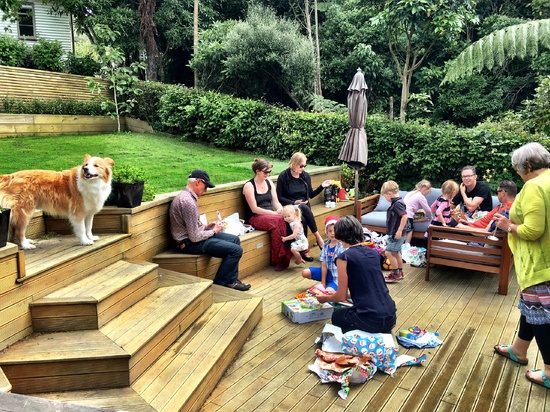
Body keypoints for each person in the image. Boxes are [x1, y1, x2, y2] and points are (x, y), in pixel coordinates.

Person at [493, 142, 550, 390]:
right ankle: (519, 349)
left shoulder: (535, 186)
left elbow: (533, 230)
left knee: (542, 319)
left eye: (517, 169)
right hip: (545, 261)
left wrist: (508, 226)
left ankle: (549, 371)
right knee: (532, 310)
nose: (517, 173)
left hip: (538, 263)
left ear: (527, 165)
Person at [169, 169, 251, 291]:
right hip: (188, 243)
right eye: (205, 186)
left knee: (234, 240)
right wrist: (214, 231)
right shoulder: (187, 202)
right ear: (198, 182)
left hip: (193, 238)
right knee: (236, 250)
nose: (206, 190)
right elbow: (194, 237)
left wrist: (208, 226)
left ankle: (231, 281)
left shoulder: (187, 197)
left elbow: (194, 227)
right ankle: (220, 284)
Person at [315, 216, 397, 334]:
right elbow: (367, 288)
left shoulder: (343, 258)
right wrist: (337, 294)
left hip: (371, 319)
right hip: (391, 317)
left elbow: (341, 297)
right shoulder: (374, 253)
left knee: (336, 316)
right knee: (352, 310)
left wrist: (325, 298)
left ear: (340, 234)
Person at [243, 158, 295, 271]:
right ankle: (283, 256)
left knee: (289, 218)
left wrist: (281, 210)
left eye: (269, 172)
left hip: (271, 216)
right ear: (257, 171)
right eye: (266, 172)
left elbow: (275, 202)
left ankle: (284, 256)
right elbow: (254, 208)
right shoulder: (249, 186)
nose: (268, 174)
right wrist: (273, 213)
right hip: (255, 217)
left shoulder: (269, 182)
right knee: (279, 220)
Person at [276, 152, 332, 250]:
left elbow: (311, 195)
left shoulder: (305, 176)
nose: (303, 168)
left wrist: (322, 186)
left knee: (303, 216)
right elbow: (279, 197)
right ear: (294, 163)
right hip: (290, 208)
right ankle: (318, 238)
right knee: (302, 210)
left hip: (304, 209)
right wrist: (294, 202)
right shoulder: (284, 176)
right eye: (301, 166)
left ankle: (304, 250)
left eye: (304, 166)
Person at [302, 216, 346, 292]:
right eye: (330, 231)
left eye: (335, 231)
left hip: (337, 277)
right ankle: (326, 283)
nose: (333, 233)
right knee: (305, 272)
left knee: (328, 292)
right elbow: (324, 266)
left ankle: (332, 286)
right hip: (327, 272)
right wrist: (323, 282)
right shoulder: (325, 246)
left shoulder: (342, 246)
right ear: (327, 232)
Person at [380, 180, 408, 283]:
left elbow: (404, 216)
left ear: (389, 194)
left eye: (385, 197)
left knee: (388, 252)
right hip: (398, 233)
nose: (385, 199)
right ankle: (399, 272)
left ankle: (395, 273)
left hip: (397, 233)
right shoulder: (397, 202)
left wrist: (399, 231)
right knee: (395, 252)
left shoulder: (397, 204)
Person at [404, 179, 432, 246]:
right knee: (409, 230)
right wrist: (430, 217)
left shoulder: (411, 193)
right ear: (424, 189)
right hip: (408, 215)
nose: (427, 194)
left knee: (420, 213)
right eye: (428, 192)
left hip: (402, 213)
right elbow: (427, 210)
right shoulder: (421, 196)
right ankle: (406, 245)